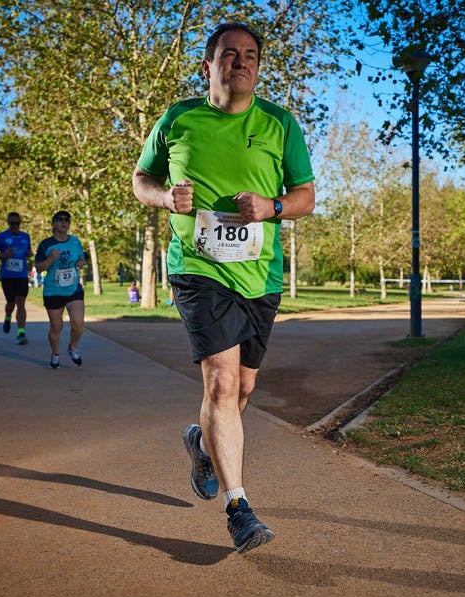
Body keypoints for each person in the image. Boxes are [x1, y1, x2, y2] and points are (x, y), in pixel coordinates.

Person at [132, 23, 315, 554]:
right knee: (220, 383)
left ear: (258, 66)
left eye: (250, 55)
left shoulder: (280, 124)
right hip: (198, 269)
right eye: (229, 54)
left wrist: (272, 207)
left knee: (243, 391)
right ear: (207, 65)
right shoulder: (178, 118)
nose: (240, 62)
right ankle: (239, 508)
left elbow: (304, 196)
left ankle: (204, 445)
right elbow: (141, 179)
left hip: (261, 275)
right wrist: (166, 199)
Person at [34, 210, 86, 369]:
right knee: (57, 328)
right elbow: (38, 267)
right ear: (54, 224)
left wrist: (81, 262)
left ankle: (72, 347)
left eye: (67, 220)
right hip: (53, 291)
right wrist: (50, 259)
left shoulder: (75, 241)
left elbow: (81, 258)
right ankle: (55, 354)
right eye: (60, 219)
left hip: (73, 289)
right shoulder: (46, 245)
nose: (64, 222)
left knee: (78, 323)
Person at [0, 212, 33, 345]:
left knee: (21, 303)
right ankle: (8, 317)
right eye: (12, 223)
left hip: (21, 275)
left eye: (17, 223)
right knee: (11, 304)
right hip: (7, 276)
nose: (15, 226)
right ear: (8, 223)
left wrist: (30, 254)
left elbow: (28, 251)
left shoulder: (25, 236)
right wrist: (3, 255)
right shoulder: (1, 237)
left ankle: (21, 333)